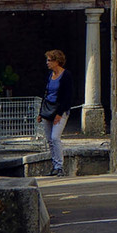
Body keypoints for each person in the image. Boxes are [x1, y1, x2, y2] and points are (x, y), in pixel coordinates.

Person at [40, 48, 70, 176]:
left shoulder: (66, 75)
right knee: (49, 139)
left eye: (49, 60)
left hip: (60, 111)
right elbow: (46, 93)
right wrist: (40, 112)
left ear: (57, 61)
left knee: (55, 137)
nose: (47, 63)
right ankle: (54, 164)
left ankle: (60, 166)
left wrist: (59, 113)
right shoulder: (50, 76)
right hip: (48, 109)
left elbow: (67, 96)